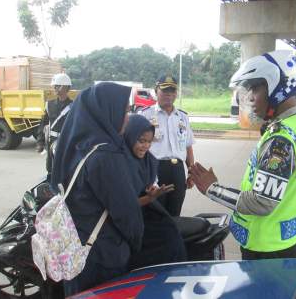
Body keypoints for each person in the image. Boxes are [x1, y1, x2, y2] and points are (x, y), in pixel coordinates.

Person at [189, 50, 296, 260]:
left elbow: (261, 202)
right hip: (287, 238)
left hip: (267, 246)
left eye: (255, 88)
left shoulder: (280, 141)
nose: (250, 97)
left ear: (277, 87)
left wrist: (213, 189)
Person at [51, 82, 144, 296]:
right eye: (125, 111)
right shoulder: (106, 155)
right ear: (108, 111)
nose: (127, 118)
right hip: (102, 256)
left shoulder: (75, 144)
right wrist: (137, 243)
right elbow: (127, 213)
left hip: (73, 249)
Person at [123, 114, 187, 269]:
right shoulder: (120, 162)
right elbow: (123, 203)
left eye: (149, 142)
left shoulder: (149, 160)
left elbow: (151, 183)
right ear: (130, 136)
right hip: (129, 216)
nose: (145, 146)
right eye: (141, 141)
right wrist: (149, 198)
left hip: (148, 209)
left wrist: (153, 189)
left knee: (171, 231)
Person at [140, 75, 195, 217]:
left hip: (177, 171)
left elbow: (188, 146)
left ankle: (172, 239)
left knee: (175, 212)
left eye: (172, 90)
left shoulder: (182, 117)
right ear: (156, 91)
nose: (169, 94)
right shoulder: (145, 115)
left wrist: (191, 170)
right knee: (155, 213)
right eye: (164, 90)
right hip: (154, 169)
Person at [36, 73, 73, 180]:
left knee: (64, 168)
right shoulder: (49, 104)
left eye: (57, 86)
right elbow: (42, 124)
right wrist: (40, 142)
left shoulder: (73, 106)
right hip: (51, 142)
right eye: (54, 86)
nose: (54, 88)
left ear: (65, 87)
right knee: (50, 168)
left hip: (66, 143)